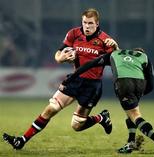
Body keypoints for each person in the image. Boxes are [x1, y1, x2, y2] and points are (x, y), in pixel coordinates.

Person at [2, 8, 119, 150]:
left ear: (97, 23)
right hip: (74, 80)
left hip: (92, 86)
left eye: (90, 23)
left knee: (77, 125)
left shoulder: (105, 40)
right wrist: (61, 58)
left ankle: (101, 118)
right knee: (51, 109)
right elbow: (58, 54)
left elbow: (116, 61)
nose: (87, 26)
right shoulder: (74, 33)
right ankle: (21, 140)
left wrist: (116, 47)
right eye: (84, 23)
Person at [61, 48, 154, 155]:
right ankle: (131, 143)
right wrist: (140, 94)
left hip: (123, 82)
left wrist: (68, 80)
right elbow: (151, 85)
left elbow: (89, 64)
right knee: (131, 113)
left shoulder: (115, 53)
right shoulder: (144, 57)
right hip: (140, 83)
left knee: (135, 115)